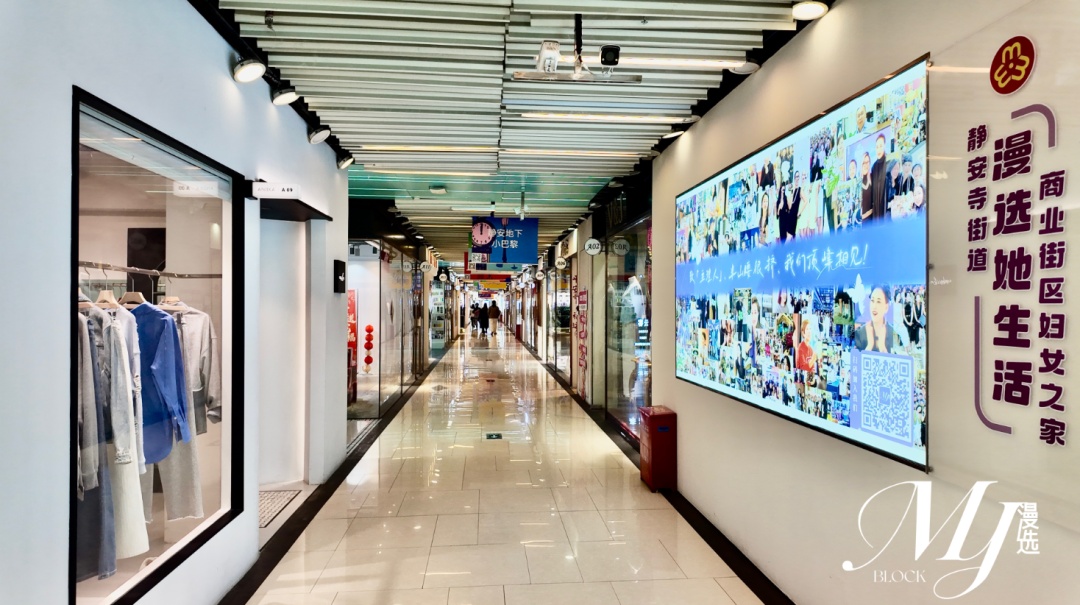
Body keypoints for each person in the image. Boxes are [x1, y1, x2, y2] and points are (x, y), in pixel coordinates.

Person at [853, 286, 898, 353]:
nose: (874, 306)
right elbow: (855, 358)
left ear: (886, 307)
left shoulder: (893, 334)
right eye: (872, 301)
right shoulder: (860, 333)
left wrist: (882, 347)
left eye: (878, 302)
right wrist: (869, 346)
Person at [869, 134, 889, 221]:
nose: (879, 149)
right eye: (877, 147)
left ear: (885, 145)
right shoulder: (874, 167)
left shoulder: (889, 162)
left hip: (886, 210)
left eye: (881, 146)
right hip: (876, 212)